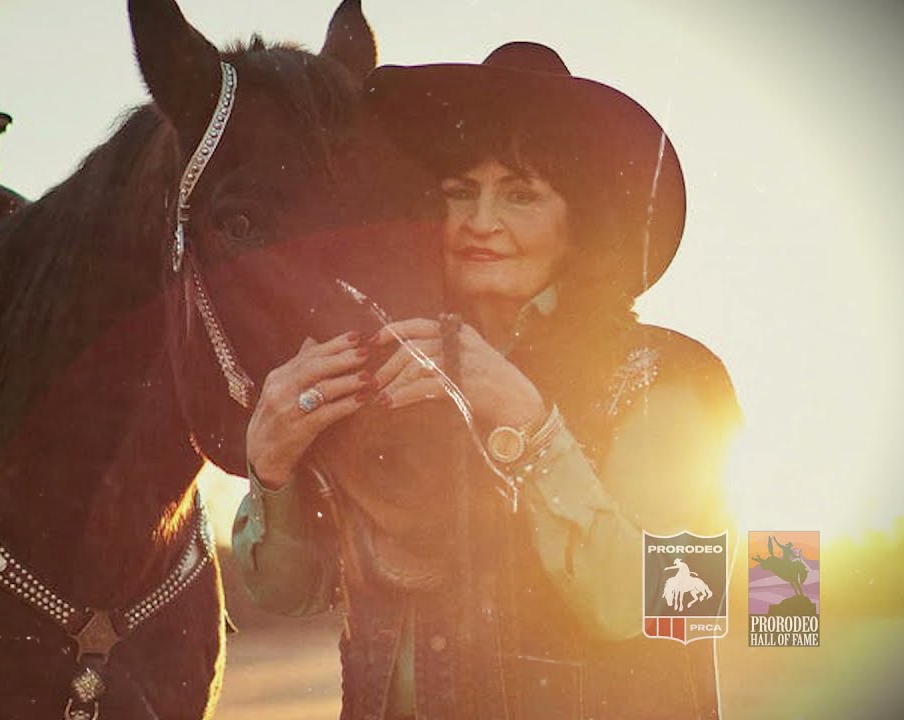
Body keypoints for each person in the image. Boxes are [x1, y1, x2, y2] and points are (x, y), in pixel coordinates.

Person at [232, 42, 741, 720]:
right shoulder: (384, 367)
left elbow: (674, 605)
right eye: (459, 193)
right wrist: (270, 465)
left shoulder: (672, 376)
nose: (480, 223)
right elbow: (290, 593)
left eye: (521, 194)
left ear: (584, 222)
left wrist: (534, 428)